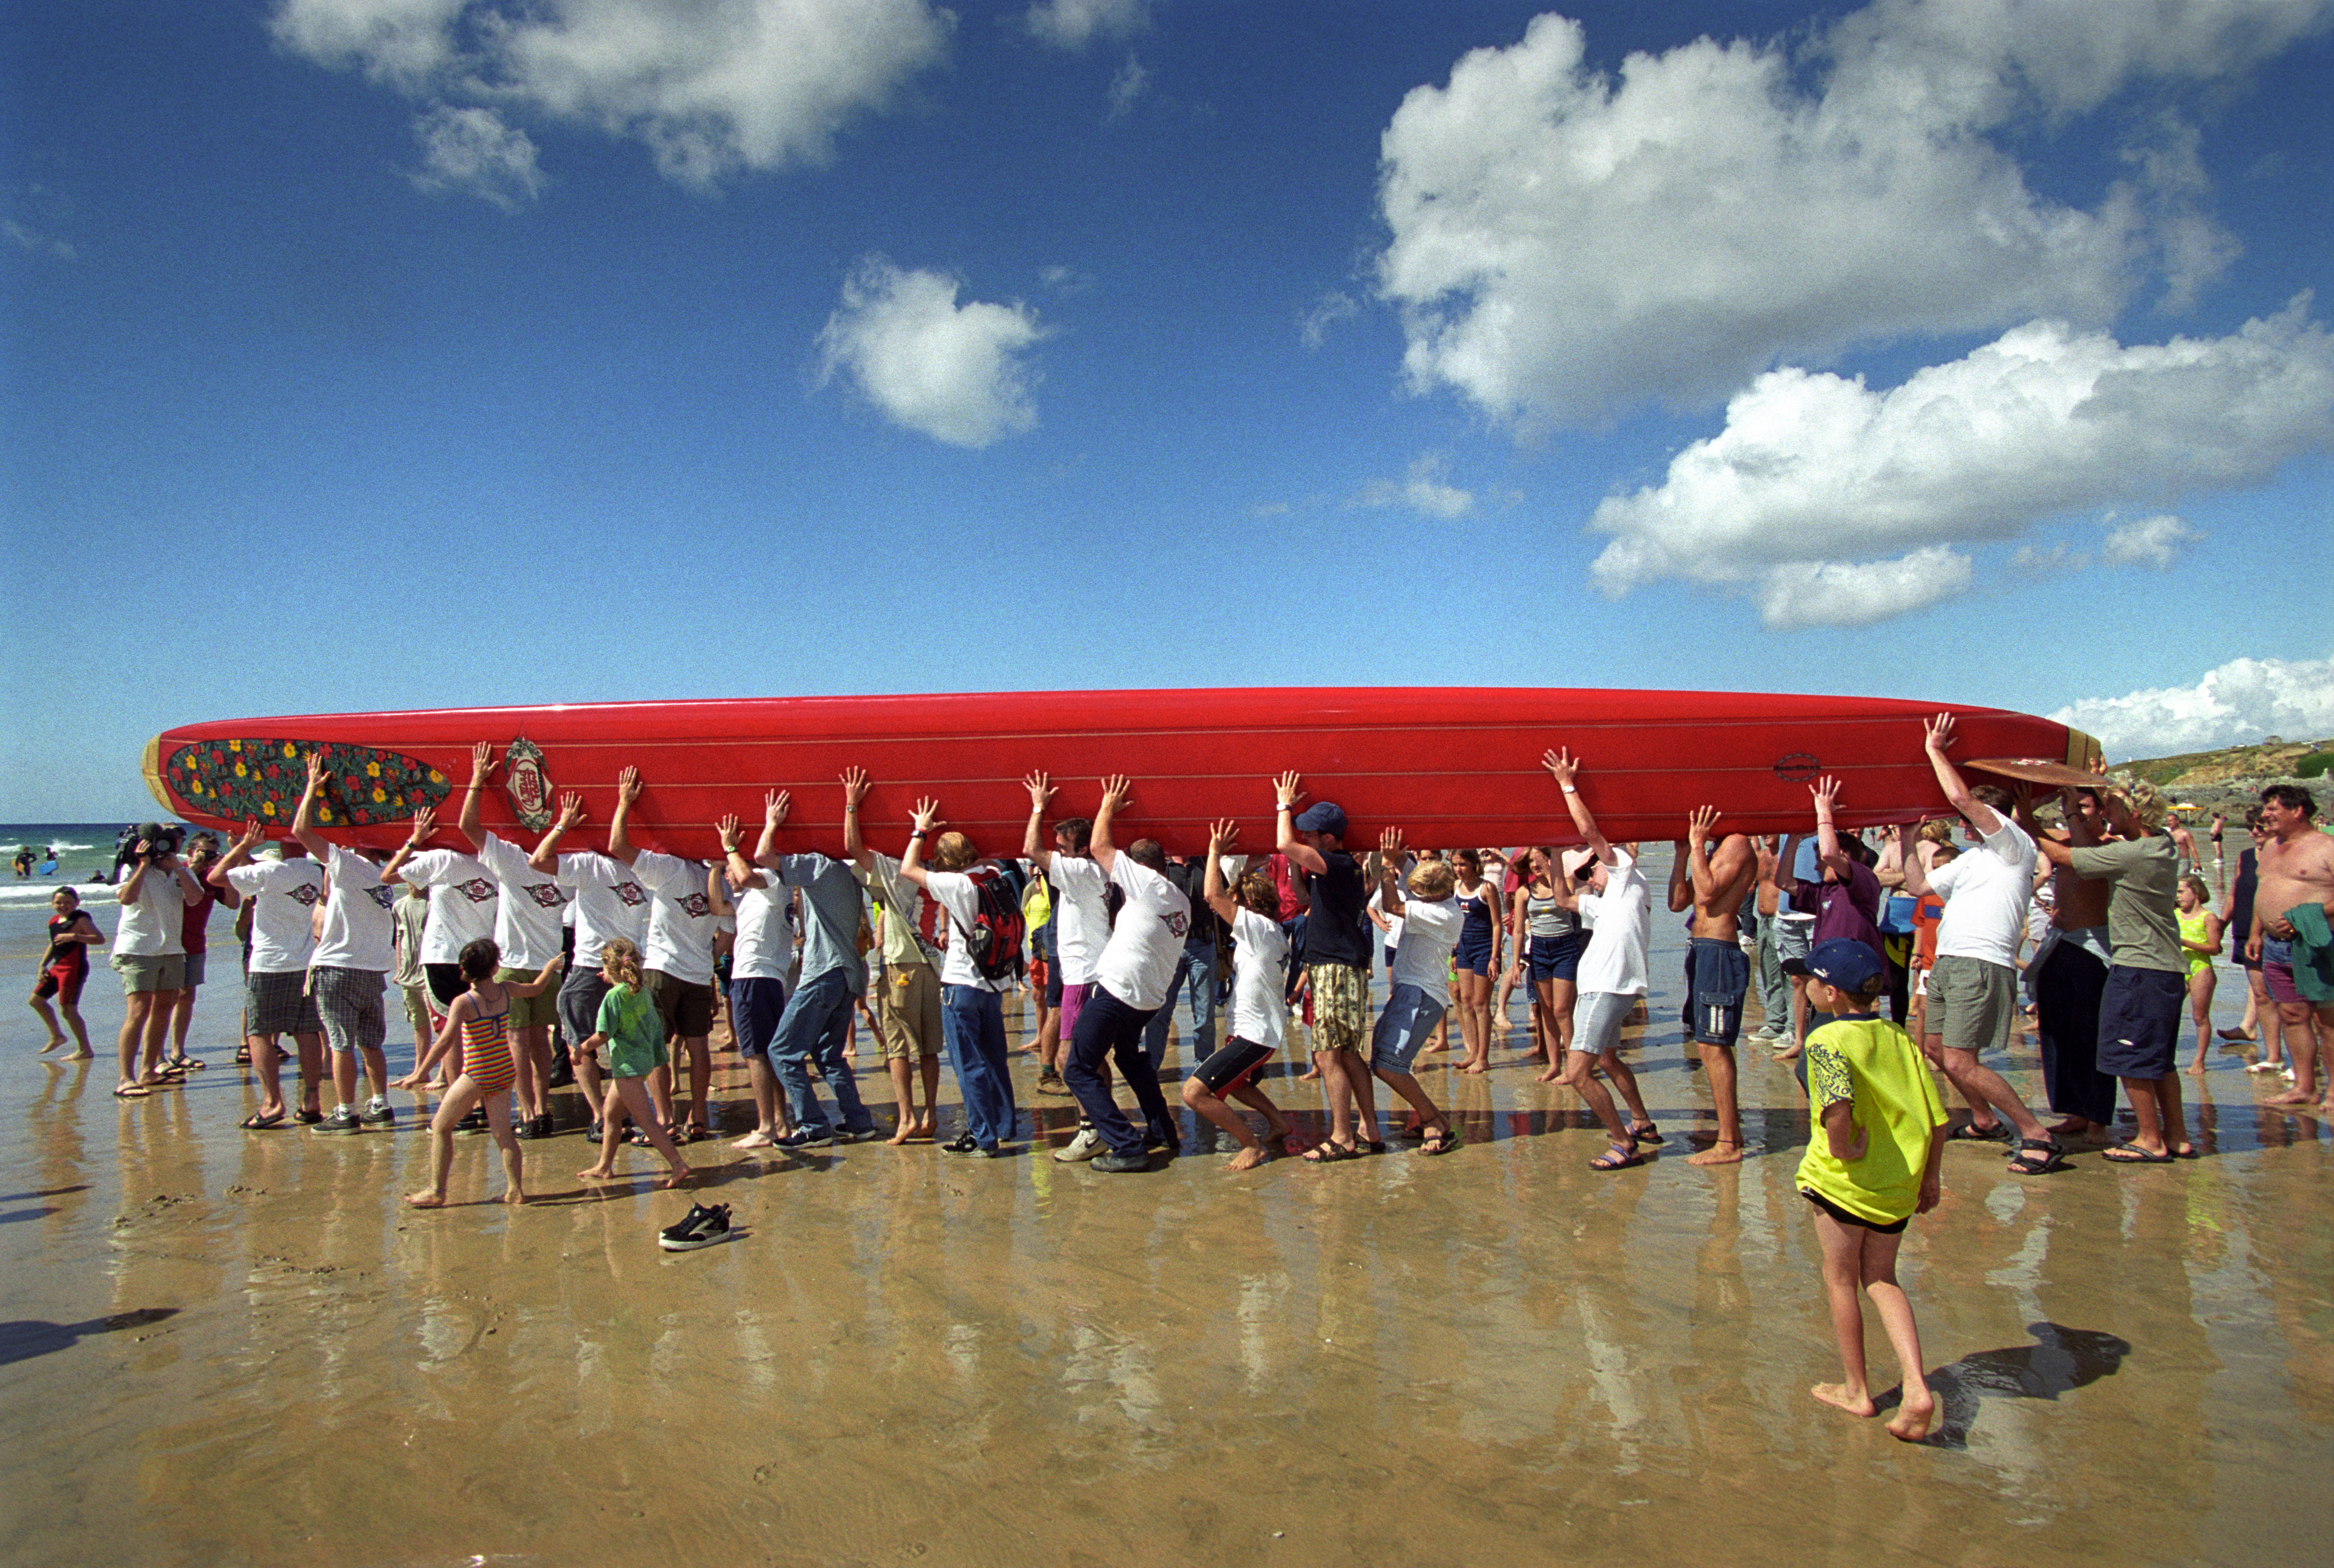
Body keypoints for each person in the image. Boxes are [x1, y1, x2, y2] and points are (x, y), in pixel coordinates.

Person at [1792, 938, 1946, 1443]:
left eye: (1810, 980)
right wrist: (1930, 1176)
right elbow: (1937, 1116)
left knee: (1840, 1279)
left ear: (1831, 993)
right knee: (1882, 1278)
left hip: (1844, 1182)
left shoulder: (1826, 1039)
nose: (1806, 987)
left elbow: (1836, 1105)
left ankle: (1857, 1389)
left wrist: (1843, 1146)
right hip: (1898, 1180)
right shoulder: (1897, 1036)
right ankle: (1917, 1386)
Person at [1898, 714, 2061, 1175]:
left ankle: (2035, 1132)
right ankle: (1985, 1120)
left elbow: (1959, 797)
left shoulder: (2015, 845)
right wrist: (1909, 836)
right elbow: (1919, 887)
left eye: (1972, 815)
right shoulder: (1972, 860)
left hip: (1982, 962)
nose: (1962, 818)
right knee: (1933, 1047)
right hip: (1949, 961)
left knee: (1961, 1061)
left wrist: (1934, 751)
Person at [2034, 776, 2192, 1163]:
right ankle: (2178, 1136)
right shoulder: (2163, 845)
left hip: (2139, 966)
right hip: (2166, 966)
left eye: (2114, 807)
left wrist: (2024, 820)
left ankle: (2149, 1140)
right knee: (2161, 1060)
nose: (2107, 813)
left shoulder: (2133, 854)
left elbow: (2067, 856)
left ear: (2135, 813)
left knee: (2129, 1056)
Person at [1034, 776, 1184, 1173]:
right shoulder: (1178, 900)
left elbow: (1101, 846)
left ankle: (1124, 1143)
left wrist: (1107, 805)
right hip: (1147, 1000)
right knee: (1131, 1059)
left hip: (1118, 995)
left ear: (1138, 868)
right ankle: (1162, 1128)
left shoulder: (1146, 886)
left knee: (1077, 1068)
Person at [1544, 749, 1661, 1169]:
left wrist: (1566, 785)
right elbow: (1560, 898)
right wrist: (1557, 852)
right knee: (1609, 1059)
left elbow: (1593, 834)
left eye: (1592, 868)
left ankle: (1622, 1142)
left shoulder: (1628, 874)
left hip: (1607, 988)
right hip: (1606, 988)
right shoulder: (1605, 899)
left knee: (1577, 1073)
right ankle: (1643, 1123)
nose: (1590, 872)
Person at [451, 743, 570, 1140]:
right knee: (537, 1040)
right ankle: (539, 1109)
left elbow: (467, 828)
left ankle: (530, 1111)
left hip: (525, 963)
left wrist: (476, 783)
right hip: (547, 964)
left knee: (523, 1040)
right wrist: (478, 782)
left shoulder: (520, 858)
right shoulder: (562, 858)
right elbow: (469, 829)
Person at [754, 782, 880, 1148]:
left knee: (782, 1051)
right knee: (828, 1055)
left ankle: (812, 1124)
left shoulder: (817, 865)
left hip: (823, 973)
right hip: (849, 975)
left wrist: (771, 823)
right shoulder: (847, 875)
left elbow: (763, 856)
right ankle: (859, 1121)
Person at [604, 766, 726, 1142]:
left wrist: (625, 803)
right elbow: (726, 939)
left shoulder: (669, 867)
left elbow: (617, 847)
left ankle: (664, 1119)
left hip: (661, 971)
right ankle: (699, 1116)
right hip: (697, 973)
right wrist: (706, 956)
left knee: (656, 1045)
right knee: (698, 1045)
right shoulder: (722, 880)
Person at [895, 791, 1020, 1157]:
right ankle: (1004, 1125)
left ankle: (984, 1138)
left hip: (961, 985)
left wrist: (920, 831)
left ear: (945, 862)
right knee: (996, 1060)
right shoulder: (996, 875)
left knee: (969, 1065)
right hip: (993, 985)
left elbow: (907, 869)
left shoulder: (957, 885)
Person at [1180, 820, 1305, 1171]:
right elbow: (1228, 897)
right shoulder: (1269, 930)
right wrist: (1247, 870)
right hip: (1257, 1029)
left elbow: (1213, 897)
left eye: (1240, 901)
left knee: (1195, 1093)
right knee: (1235, 1085)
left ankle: (1250, 1144)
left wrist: (1214, 852)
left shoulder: (1259, 928)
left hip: (1256, 1034)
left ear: (1249, 904)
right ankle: (1278, 1124)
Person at [530, 788, 652, 1144]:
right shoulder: (646, 866)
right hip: (629, 969)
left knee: (579, 1046)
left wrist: (562, 825)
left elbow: (539, 861)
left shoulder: (590, 863)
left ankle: (603, 1117)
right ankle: (619, 1113)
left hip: (590, 968)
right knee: (624, 1046)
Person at [403, 937, 563, 1208]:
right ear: (495, 968)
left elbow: (445, 1041)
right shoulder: (506, 990)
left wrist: (421, 1072)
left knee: (440, 1128)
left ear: (464, 970)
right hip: (504, 1069)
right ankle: (515, 1190)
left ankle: (437, 1190)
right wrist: (549, 968)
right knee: (503, 1135)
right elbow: (536, 989)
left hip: (478, 1072)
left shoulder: (464, 1002)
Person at [288, 752, 399, 1132]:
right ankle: (380, 1105)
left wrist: (312, 789)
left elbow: (301, 831)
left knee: (339, 1043)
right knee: (371, 1043)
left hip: (337, 968)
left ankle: (346, 1111)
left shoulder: (349, 865)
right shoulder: (387, 877)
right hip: (373, 971)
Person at [1276, 773, 1378, 1162]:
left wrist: (1284, 804)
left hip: (1336, 968)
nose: (1305, 841)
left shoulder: (1334, 863)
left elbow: (1284, 843)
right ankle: (1369, 1127)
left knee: (1329, 1055)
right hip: (1338, 965)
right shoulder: (1340, 867)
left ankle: (1343, 1136)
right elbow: (1304, 896)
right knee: (1349, 1055)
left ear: (1329, 840)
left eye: (1312, 836)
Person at [840, 768, 945, 1145]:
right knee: (931, 1046)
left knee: (899, 1047)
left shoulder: (894, 869)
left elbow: (853, 847)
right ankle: (931, 1114)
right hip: (934, 967)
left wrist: (852, 803)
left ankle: (906, 1118)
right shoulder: (937, 869)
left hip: (900, 965)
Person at [2020, 785, 2122, 1141]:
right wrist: (2047, 793)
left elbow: (2076, 856)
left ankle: (2098, 1117)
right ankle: (2074, 1109)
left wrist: (2072, 800)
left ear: (2101, 811)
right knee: (2056, 1033)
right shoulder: (2064, 840)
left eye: (2084, 807)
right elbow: (2020, 826)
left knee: (2089, 1035)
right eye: (2073, 808)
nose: (2075, 814)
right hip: (2060, 942)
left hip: (2094, 946)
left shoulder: (2109, 847)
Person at [211, 821, 327, 1124]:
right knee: (306, 1031)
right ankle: (312, 1098)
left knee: (259, 1032)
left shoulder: (269, 873)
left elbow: (215, 877)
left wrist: (242, 846)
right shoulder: (315, 872)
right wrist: (245, 853)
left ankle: (273, 1103)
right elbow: (264, 875)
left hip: (269, 963)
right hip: (304, 962)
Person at [1362, 828, 1463, 1156]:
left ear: (1433, 894)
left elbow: (1392, 904)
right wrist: (1393, 848)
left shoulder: (1444, 912)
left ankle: (1434, 1118)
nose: (1414, 892)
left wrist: (1386, 868)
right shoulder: (1433, 893)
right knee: (1383, 1056)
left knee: (1388, 1064)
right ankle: (1429, 1116)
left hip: (1421, 995)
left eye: (1418, 891)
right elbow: (1408, 869)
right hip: (1410, 989)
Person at [1670, 804, 1757, 1164]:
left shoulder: (1737, 843)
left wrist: (1696, 842)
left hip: (1720, 952)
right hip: (1703, 950)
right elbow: (1678, 902)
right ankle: (1729, 1130)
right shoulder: (1716, 849)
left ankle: (1728, 1143)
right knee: (1705, 1043)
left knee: (1713, 1046)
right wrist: (1682, 854)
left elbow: (1705, 895)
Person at [573, 936, 693, 1189]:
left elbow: (603, 1034)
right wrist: (657, 1057)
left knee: (646, 1121)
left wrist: (580, 1051)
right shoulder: (641, 992)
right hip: (641, 1062)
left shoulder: (614, 997)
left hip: (627, 1067)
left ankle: (678, 1164)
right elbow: (654, 1027)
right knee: (611, 1115)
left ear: (609, 969)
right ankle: (605, 1167)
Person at [718, 794, 800, 1150]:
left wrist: (729, 846)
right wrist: (717, 863)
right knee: (769, 1050)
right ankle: (780, 1121)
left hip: (754, 975)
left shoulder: (769, 880)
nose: (730, 876)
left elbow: (747, 874)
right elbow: (717, 903)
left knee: (755, 1053)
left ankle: (766, 1124)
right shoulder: (756, 895)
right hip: (768, 976)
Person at [1023, 773, 1110, 1109]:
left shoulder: (1080, 873)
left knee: (1068, 1056)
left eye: (1062, 848)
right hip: (1094, 973)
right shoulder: (1098, 870)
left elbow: (1031, 848)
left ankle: (1094, 1120)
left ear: (1084, 848)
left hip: (1082, 976)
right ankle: (1101, 1114)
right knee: (1090, 1055)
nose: (1056, 853)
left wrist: (1038, 806)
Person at [2248, 784, 2334, 1113]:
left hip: (2316, 941)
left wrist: (2308, 916)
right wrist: (2257, 931)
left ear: (2298, 810)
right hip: (2274, 946)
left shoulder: (2326, 846)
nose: (2266, 815)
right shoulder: (2270, 847)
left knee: (2328, 1021)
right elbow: (2263, 889)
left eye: (2273, 809)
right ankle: (2304, 1087)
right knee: (2291, 1015)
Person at [107, 824, 206, 1097]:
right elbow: (127, 898)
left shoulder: (180, 872)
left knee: (164, 1008)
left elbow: (196, 898)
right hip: (138, 948)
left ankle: (149, 1070)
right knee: (139, 1011)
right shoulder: (131, 868)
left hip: (172, 948)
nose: (165, 849)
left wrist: (178, 868)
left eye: (170, 844)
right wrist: (143, 864)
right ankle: (125, 1078)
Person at [167, 830, 238, 1071]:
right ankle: (157, 1056)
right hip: (167, 944)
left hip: (195, 943)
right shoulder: (175, 870)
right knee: (162, 999)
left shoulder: (212, 875)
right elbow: (174, 894)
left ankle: (178, 1051)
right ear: (190, 852)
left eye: (212, 853)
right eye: (203, 852)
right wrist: (195, 868)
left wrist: (225, 872)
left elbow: (232, 903)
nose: (208, 857)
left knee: (186, 997)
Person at [1449, 848, 1503, 1074]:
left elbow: (1497, 924)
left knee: (1481, 1004)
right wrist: (1454, 952)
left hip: (1484, 950)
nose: (1458, 869)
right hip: (1463, 949)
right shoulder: (1455, 887)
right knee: (1466, 1001)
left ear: (1474, 865)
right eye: (1455, 865)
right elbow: (1455, 920)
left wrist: (1495, 957)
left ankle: (1483, 1058)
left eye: (1462, 865)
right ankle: (1473, 1053)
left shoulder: (1487, 888)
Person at [32, 887, 104, 1058]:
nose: (63, 905)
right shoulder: (54, 921)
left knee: (68, 1010)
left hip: (74, 969)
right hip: (58, 967)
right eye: (58, 902)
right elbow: (54, 944)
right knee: (36, 1001)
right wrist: (43, 965)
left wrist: (75, 937)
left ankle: (85, 1050)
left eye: (68, 902)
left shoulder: (81, 919)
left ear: (77, 903)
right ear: (52, 904)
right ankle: (57, 1036)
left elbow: (100, 939)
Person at [2176, 875, 2223, 1075]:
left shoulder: (2208, 917)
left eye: (2181, 892)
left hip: (2200, 968)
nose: (2177, 896)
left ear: (2196, 892)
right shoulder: (2174, 914)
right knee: (2168, 1014)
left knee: (2200, 1016)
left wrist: (2185, 942)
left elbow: (2215, 948)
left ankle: (2199, 1061)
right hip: (2177, 968)